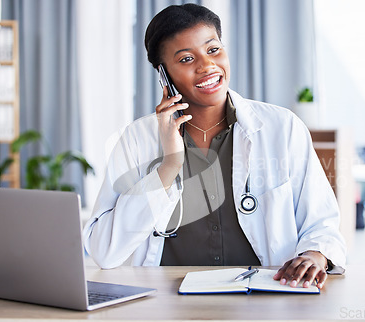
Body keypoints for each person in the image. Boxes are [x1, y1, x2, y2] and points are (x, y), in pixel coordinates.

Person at [83, 3, 346, 289]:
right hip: (166, 305)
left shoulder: (282, 128)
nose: (207, 66)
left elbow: (322, 223)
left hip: (264, 299)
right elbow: (105, 252)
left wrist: (314, 254)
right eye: (185, 59)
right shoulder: (136, 140)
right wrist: (169, 166)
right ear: (164, 75)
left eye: (212, 50)